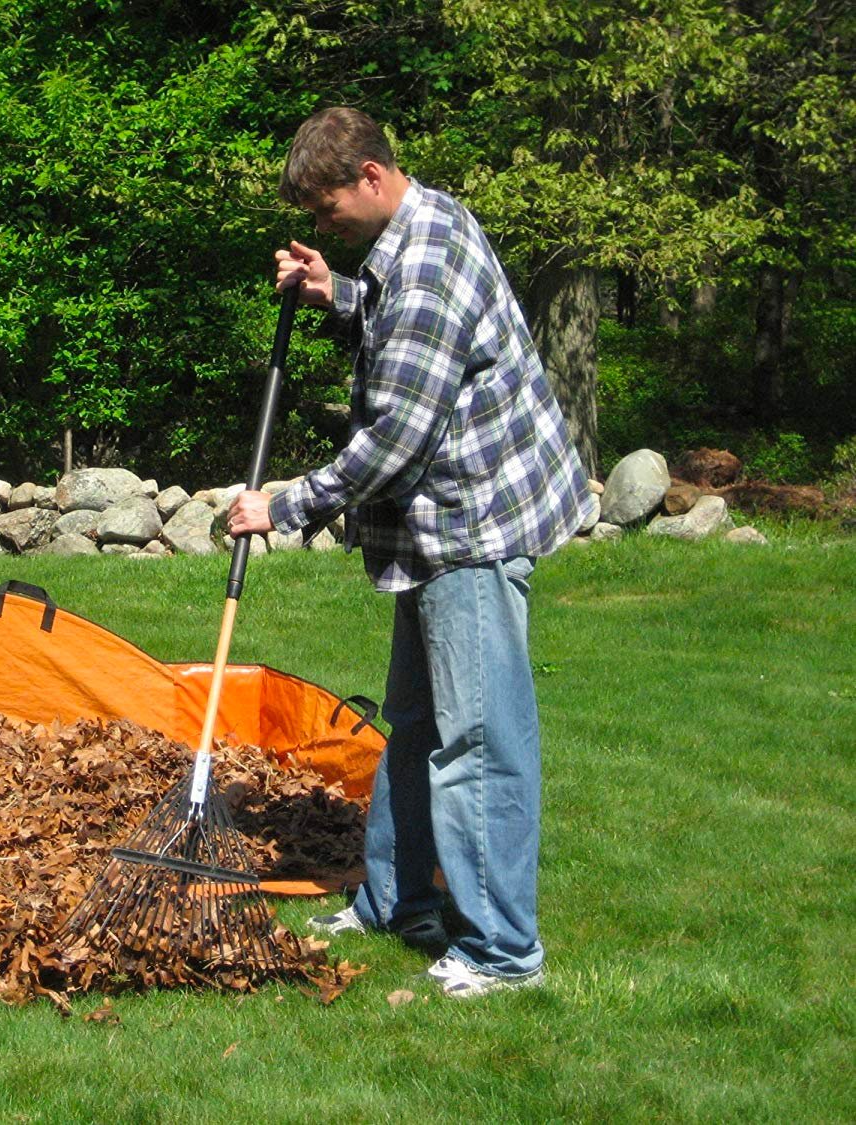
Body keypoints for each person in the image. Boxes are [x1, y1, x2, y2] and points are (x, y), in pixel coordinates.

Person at [227, 106, 589, 998]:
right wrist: (338, 292)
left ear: (372, 177)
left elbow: (395, 440)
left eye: (325, 213)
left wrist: (285, 503)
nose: (321, 229)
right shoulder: (421, 226)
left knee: (478, 740)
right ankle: (399, 903)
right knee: (418, 723)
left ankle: (502, 951)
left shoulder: (424, 266)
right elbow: (400, 326)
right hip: (437, 526)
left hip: (471, 527)